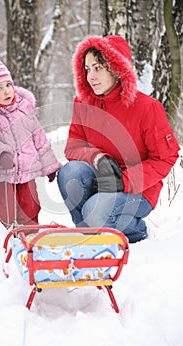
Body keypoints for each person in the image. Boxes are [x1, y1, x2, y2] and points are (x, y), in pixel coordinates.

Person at [57, 35, 180, 243]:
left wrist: (123, 180)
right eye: (87, 69)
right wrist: (98, 159)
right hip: (99, 179)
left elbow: (165, 158)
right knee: (69, 173)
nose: (90, 77)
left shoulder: (147, 108)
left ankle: (136, 230)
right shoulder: (83, 103)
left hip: (139, 189)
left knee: (94, 210)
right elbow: (74, 146)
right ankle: (88, 235)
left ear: (116, 68)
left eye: (98, 68)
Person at [0, 58, 62, 228]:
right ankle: (6, 234)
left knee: (31, 205)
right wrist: (2, 153)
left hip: (28, 171)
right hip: (4, 173)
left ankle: (31, 231)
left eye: (8, 85)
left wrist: (50, 166)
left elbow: (39, 139)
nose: (6, 91)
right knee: (6, 208)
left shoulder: (24, 109)